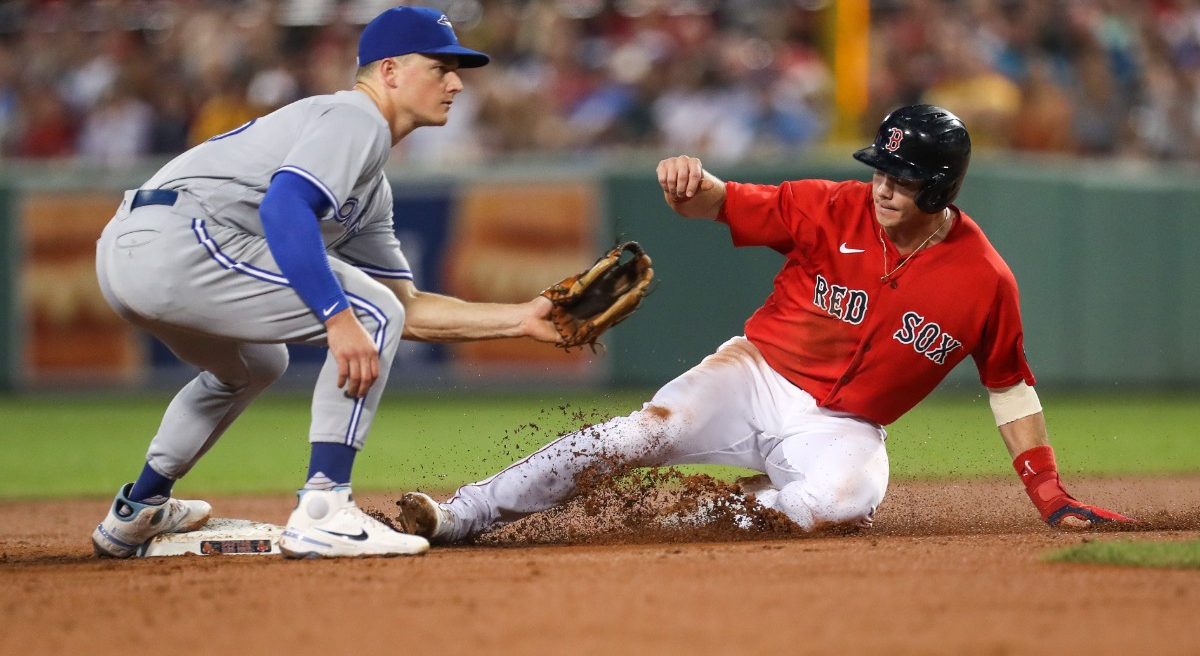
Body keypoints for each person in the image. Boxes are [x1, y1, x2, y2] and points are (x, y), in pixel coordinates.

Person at [399, 104, 1135, 542]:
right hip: (755, 375)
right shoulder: (831, 205)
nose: (880, 183)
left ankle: (697, 516)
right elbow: (722, 202)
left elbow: (1010, 386)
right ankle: (462, 513)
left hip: (845, 425)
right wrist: (690, 183)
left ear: (940, 186)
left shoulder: (984, 279)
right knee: (635, 434)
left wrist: (1048, 491)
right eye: (878, 167)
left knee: (842, 501)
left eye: (899, 177)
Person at [91, 6, 560, 559]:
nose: (456, 82)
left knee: (258, 364)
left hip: (134, 252)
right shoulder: (355, 117)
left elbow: (405, 309)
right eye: (439, 67)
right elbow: (285, 206)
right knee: (364, 311)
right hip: (177, 238)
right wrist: (338, 318)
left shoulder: (371, 186)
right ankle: (324, 508)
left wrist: (521, 318)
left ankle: (138, 509)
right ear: (388, 71)